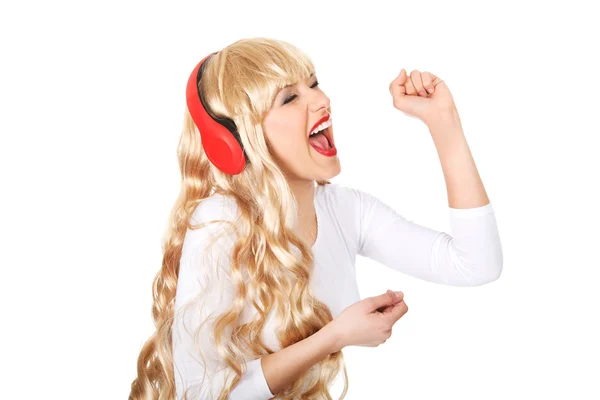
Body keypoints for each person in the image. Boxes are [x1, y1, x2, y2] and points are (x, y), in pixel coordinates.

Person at [128, 37, 503, 400]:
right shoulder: (219, 223)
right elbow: (201, 394)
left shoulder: (346, 210)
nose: (322, 100)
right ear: (237, 140)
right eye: (290, 98)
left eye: (314, 84)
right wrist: (333, 337)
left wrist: (444, 123)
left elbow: (476, 265)